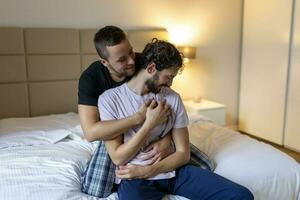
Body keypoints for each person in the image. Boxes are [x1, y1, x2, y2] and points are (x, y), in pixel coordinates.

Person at [99, 39, 254, 200]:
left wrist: (149, 170)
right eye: (168, 77)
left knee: (241, 196)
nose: (170, 83)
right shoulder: (110, 99)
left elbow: (183, 153)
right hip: (136, 179)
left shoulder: (172, 98)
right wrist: (150, 123)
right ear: (151, 68)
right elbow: (118, 157)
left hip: (174, 170)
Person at [78, 26, 173, 197]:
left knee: (201, 164)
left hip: (155, 128)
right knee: (96, 189)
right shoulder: (91, 78)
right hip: (114, 133)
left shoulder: (143, 63)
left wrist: (168, 138)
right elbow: (91, 132)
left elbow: (168, 100)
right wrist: (138, 118)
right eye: (122, 59)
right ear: (105, 62)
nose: (131, 61)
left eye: (130, 51)